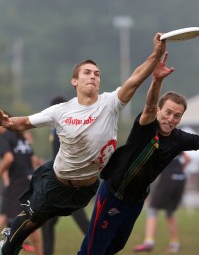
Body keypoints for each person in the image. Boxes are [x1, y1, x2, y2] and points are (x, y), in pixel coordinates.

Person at [0, 32, 167, 255]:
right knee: (32, 220)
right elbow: (26, 122)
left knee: (52, 221)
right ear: (75, 81)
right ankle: (8, 243)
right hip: (55, 183)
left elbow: (135, 79)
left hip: (85, 190)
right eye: (87, 73)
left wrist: (156, 54)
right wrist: (8, 123)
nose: (93, 77)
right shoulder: (61, 111)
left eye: (97, 74)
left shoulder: (110, 103)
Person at [78, 52, 199, 255]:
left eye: (177, 116)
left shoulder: (179, 139)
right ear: (159, 111)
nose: (171, 118)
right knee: (93, 249)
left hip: (136, 201)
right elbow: (150, 104)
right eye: (168, 112)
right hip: (113, 194)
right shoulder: (147, 125)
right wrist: (157, 80)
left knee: (116, 245)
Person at [42, 96, 90, 255]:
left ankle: (99, 245)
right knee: (48, 222)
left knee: (80, 219)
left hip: (68, 181)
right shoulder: (54, 128)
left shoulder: (66, 127)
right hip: (58, 180)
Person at [133, 152, 191, 253]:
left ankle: (149, 242)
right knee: (170, 213)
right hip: (181, 179)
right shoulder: (178, 146)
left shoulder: (162, 146)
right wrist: (180, 169)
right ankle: (175, 244)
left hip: (169, 178)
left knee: (152, 209)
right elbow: (188, 158)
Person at [0, 126, 44, 255]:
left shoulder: (4, 137)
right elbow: (32, 159)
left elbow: (8, 158)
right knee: (30, 219)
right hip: (29, 180)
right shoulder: (19, 136)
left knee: (3, 215)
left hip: (17, 181)